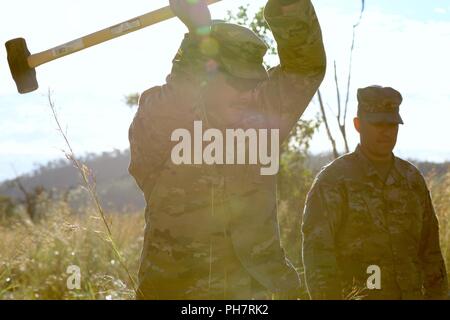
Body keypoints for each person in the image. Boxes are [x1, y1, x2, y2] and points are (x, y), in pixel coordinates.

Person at [128, 0, 326, 299]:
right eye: (237, 81)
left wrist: (290, 6)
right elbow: (176, 99)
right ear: (204, 78)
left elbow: (304, 67)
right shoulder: (164, 123)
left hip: (261, 291)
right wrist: (198, 37)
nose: (250, 93)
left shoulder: (263, 116)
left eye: (255, 82)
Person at [302, 85, 448, 300]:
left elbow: (431, 253)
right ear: (358, 125)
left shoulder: (411, 179)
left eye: (392, 124)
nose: (386, 131)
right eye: (377, 123)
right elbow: (318, 257)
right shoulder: (333, 181)